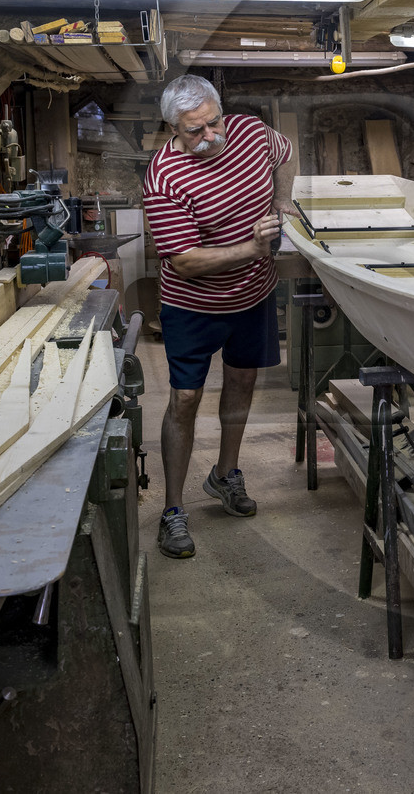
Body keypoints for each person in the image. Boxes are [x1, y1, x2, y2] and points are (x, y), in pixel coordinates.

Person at [141, 74, 296, 559]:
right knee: (185, 399)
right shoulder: (164, 178)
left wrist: (283, 199)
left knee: (243, 381)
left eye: (213, 123)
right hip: (193, 305)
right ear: (173, 128)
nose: (210, 137)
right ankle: (172, 511)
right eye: (195, 131)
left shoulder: (249, 131)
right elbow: (184, 260)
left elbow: (285, 153)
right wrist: (251, 247)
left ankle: (225, 475)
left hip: (253, 294)